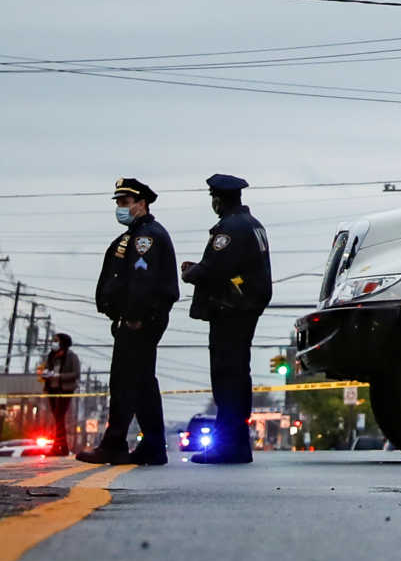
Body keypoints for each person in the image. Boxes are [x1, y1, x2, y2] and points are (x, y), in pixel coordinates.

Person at [78, 177, 178, 466]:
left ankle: (114, 444)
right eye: (119, 202)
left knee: (124, 382)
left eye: (125, 202)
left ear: (141, 204)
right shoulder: (135, 235)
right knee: (142, 383)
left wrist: (133, 317)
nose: (121, 207)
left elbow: (141, 281)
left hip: (140, 321)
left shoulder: (147, 237)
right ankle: (154, 446)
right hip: (136, 318)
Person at [180, 173, 272, 465]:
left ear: (219, 199)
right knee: (238, 375)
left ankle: (228, 446)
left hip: (230, 308)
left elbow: (216, 269)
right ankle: (237, 445)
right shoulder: (253, 225)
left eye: (213, 198)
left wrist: (191, 272)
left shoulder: (230, 228)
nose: (213, 203)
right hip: (246, 307)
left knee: (226, 377)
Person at [38, 334, 79, 457]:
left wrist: (59, 376)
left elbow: (76, 373)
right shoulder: (51, 356)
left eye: (56, 341)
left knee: (59, 417)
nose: (53, 343)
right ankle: (64, 447)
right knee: (57, 419)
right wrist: (45, 373)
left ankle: (57, 447)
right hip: (52, 389)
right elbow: (44, 369)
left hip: (64, 390)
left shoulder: (71, 356)